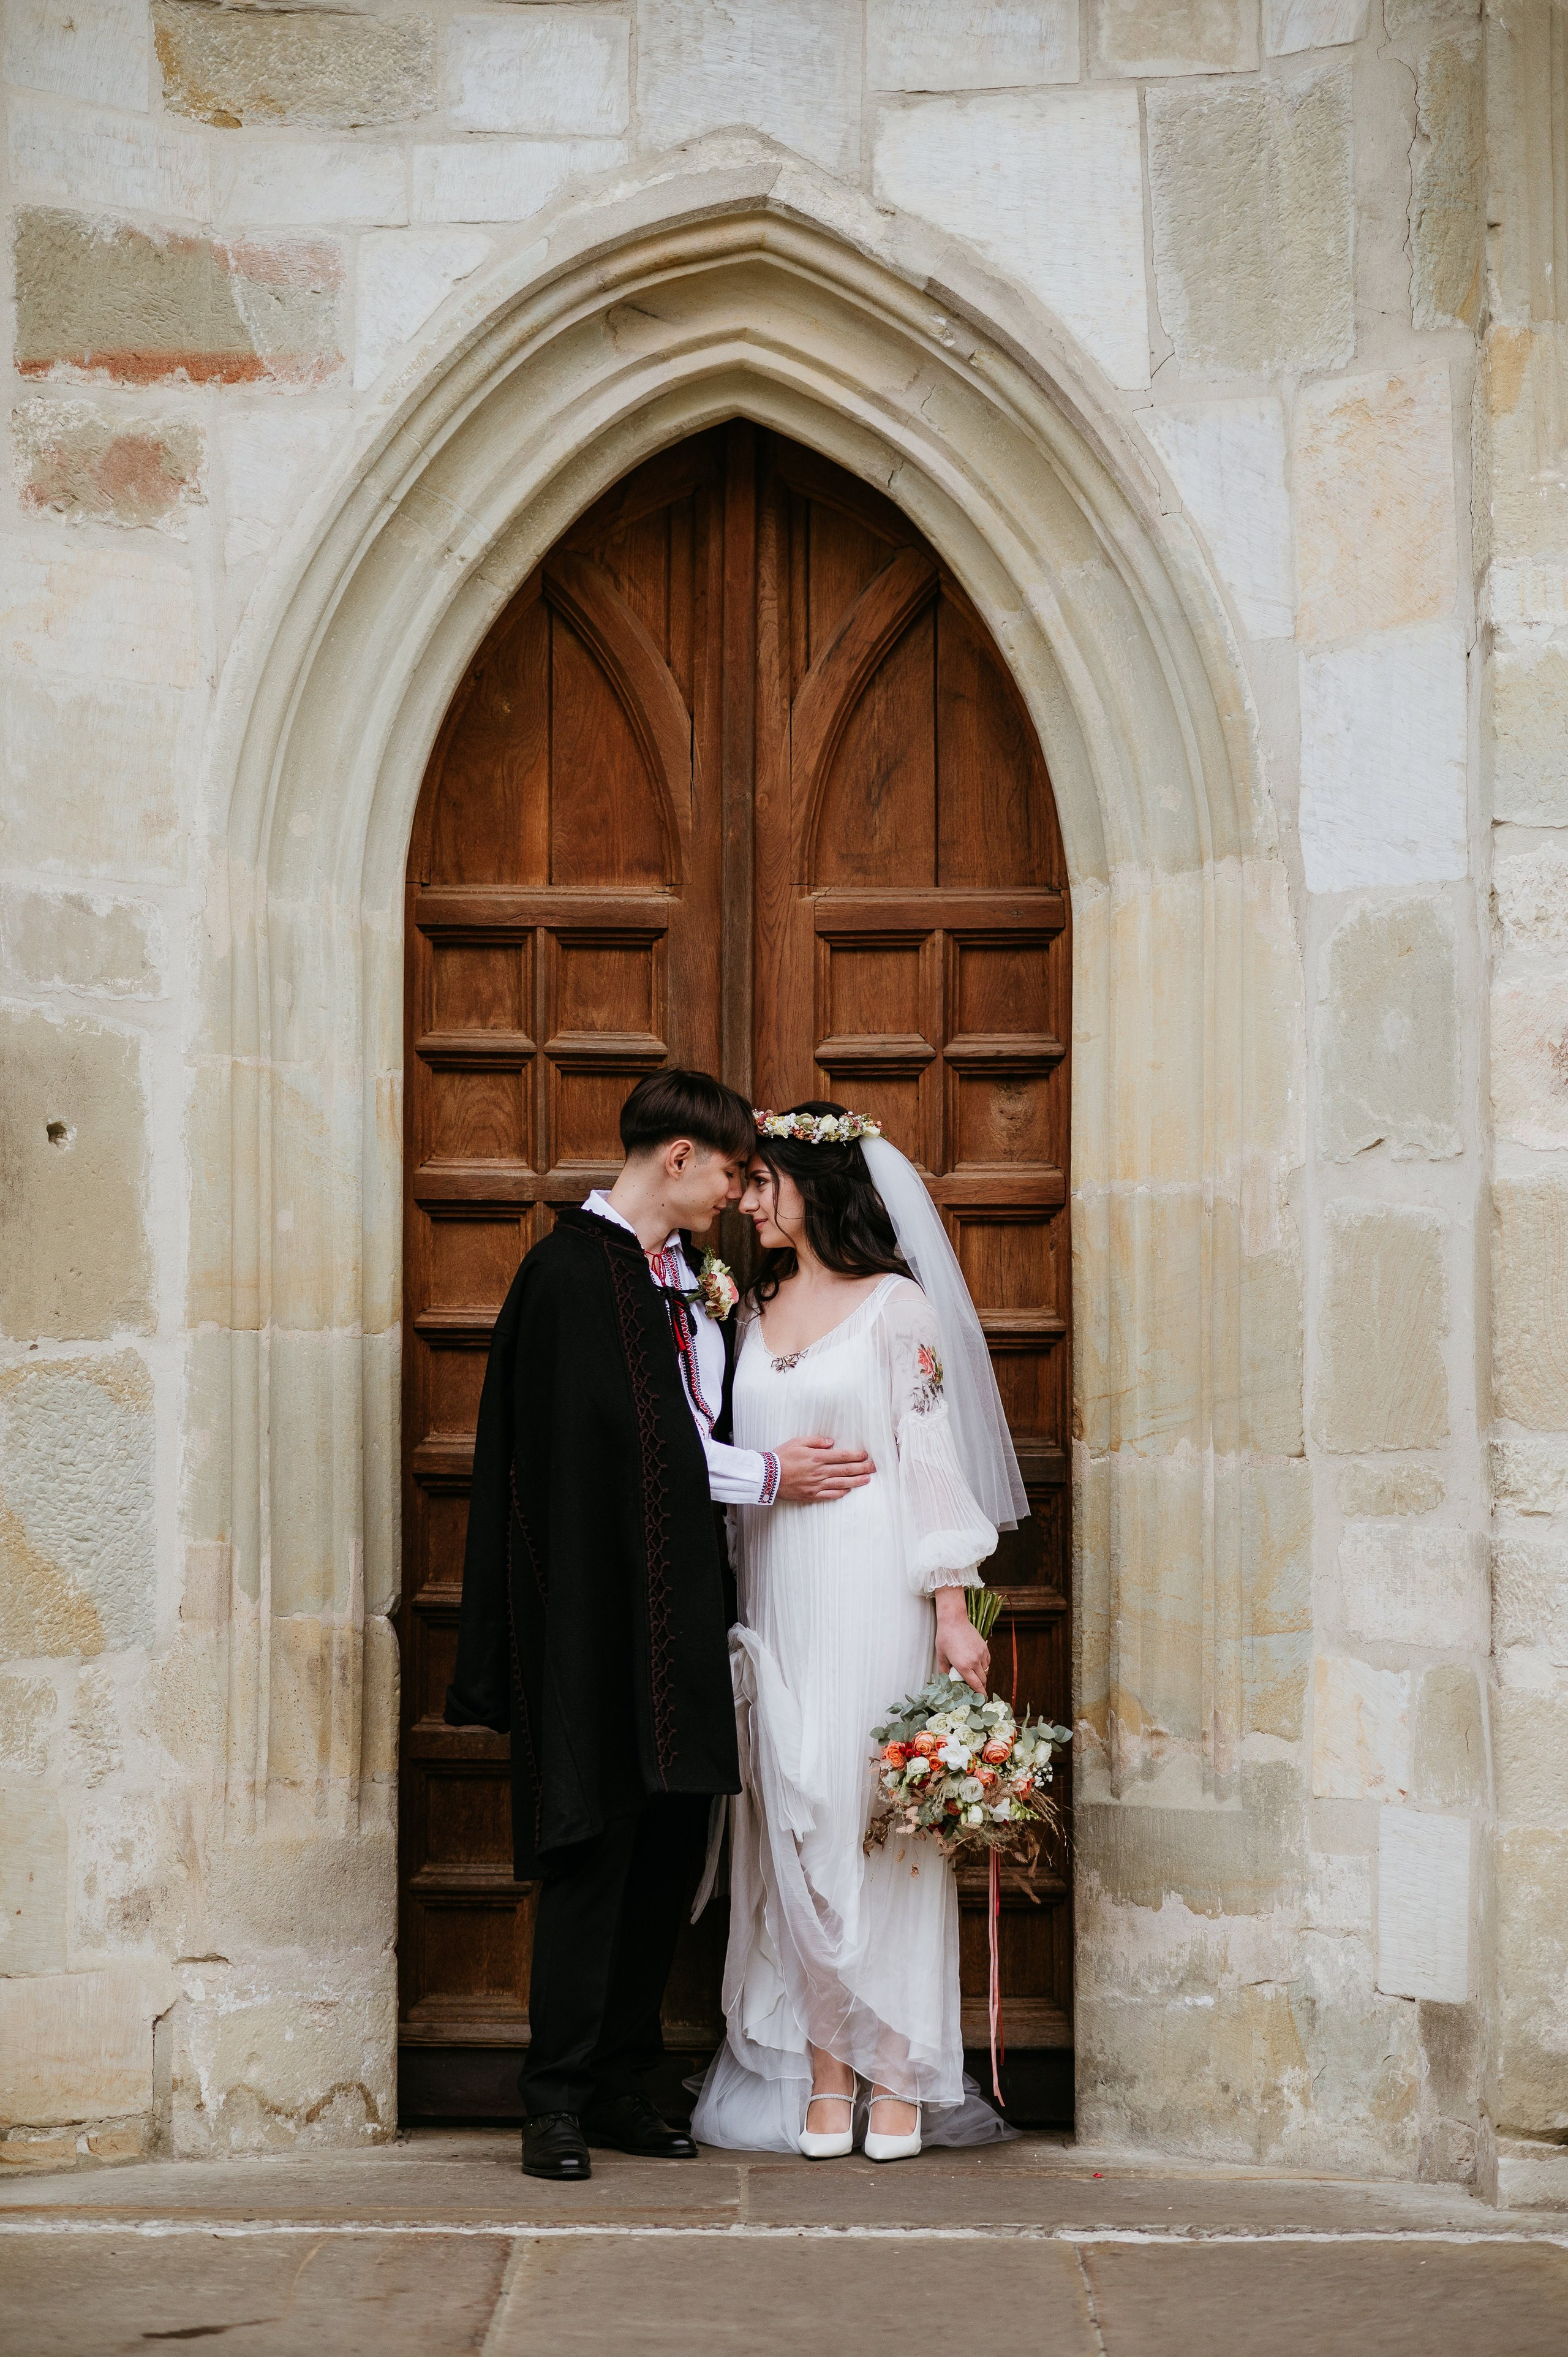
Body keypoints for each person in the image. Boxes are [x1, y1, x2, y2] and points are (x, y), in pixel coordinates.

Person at [445, 1070, 875, 2182]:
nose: (739, 1194)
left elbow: (684, 1420)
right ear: (678, 1160)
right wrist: (771, 1474)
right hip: (593, 1609)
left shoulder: (686, 1280)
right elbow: (615, 1447)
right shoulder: (567, 1275)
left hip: (682, 1606)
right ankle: (557, 2098)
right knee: (594, 1841)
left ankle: (630, 2076)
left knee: (670, 1841)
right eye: (731, 1170)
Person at [690, 1101, 1028, 2162]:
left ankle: (896, 2072)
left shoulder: (898, 1310)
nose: (747, 1199)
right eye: (741, 1183)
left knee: (878, 1823)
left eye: (764, 1182)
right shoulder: (750, 1310)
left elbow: (929, 1455)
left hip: (876, 1585)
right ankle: (822, 2069)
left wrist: (948, 1606)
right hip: (781, 1587)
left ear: (816, 1188)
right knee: (798, 1813)